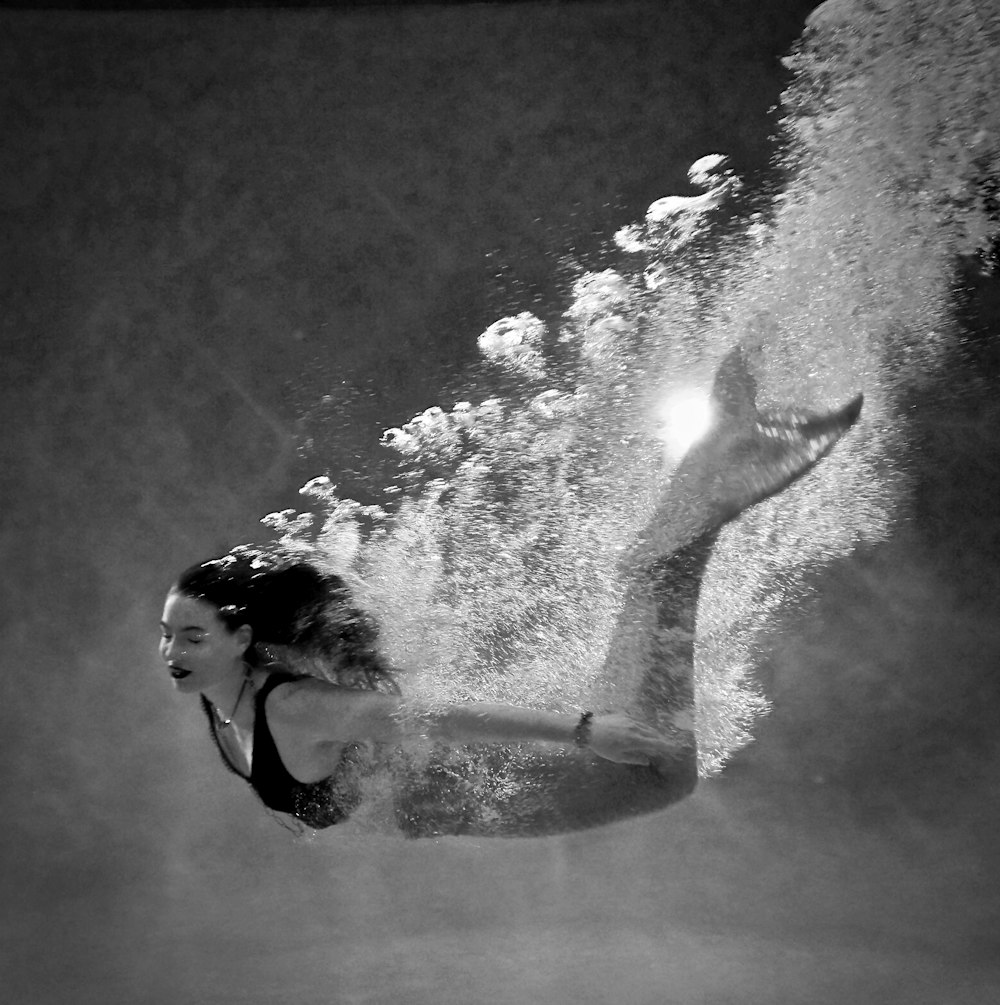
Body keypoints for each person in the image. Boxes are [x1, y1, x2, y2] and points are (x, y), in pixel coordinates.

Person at [160, 348, 862, 836]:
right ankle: (686, 512)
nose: (172, 650)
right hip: (459, 788)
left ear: (243, 640)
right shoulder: (227, 694)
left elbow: (435, 718)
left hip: (478, 786)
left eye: (191, 635)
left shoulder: (295, 708)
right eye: (168, 631)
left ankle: (701, 507)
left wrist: (586, 733)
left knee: (666, 773)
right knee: (649, 723)